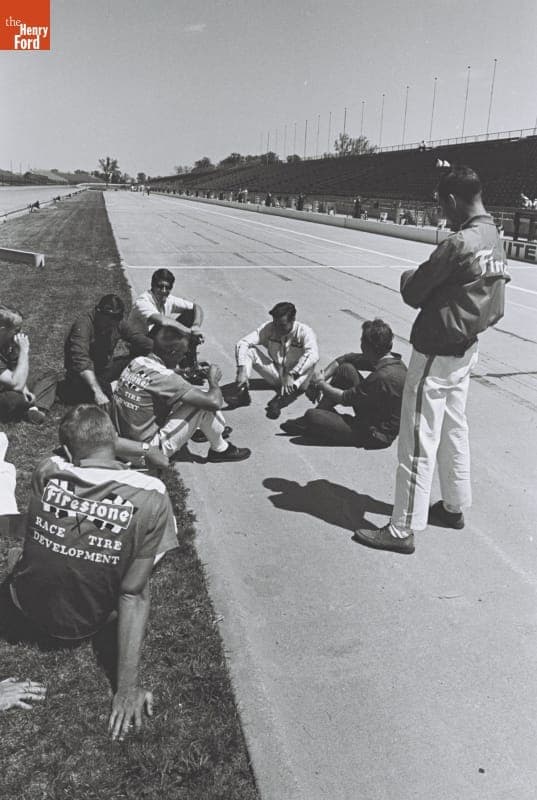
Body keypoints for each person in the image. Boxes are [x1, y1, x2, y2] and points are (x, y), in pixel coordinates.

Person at [354, 166, 510, 554]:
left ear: (453, 200)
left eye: (443, 206)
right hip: (467, 348)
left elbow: (414, 291)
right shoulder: (495, 235)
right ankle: (454, 505)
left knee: (417, 438)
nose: (443, 213)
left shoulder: (459, 243)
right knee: (455, 427)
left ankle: (401, 528)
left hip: (436, 351)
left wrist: (408, 276)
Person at [0, 405, 178, 740]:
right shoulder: (151, 492)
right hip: (86, 623)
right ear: (113, 439)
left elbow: (65, 453)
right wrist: (126, 689)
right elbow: (132, 594)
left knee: (25, 551)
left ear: (67, 452)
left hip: (23, 606)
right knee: (141, 566)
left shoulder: (48, 469)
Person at [113, 323, 250, 462]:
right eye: (183, 354)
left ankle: (205, 430)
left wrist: (185, 372)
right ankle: (220, 448)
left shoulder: (137, 362)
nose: (183, 358)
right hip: (145, 453)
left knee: (191, 395)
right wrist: (213, 381)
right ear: (173, 352)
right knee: (202, 403)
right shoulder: (167, 379)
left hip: (121, 445)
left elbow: (160, 377)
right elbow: (214, 403)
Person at [280, 319, 406, 447]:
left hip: (374, 434)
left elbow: (345, 398)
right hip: (374, 413)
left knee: (312, 416)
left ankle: (317, 421)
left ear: (368, 347)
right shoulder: (390, 360)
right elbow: (345, 359)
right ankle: (320, 417)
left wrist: (320, 383)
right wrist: (321, 378)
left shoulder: (382, 377)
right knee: (346, 369)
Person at [30, 294, 152, 415]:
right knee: (98, 390)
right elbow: (81, 361)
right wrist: (97, 392)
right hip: (82, 377)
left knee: (135, 361)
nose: (111, 325)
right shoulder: (83, 325)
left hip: (105, 371)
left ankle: (116, 386)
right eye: (107, 321)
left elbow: (140, 340)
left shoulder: (117, 322)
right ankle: (113, 388)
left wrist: (158, 351)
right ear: (98, 313)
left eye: (114, 321)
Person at [234, 302, 319, 419]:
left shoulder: (304, 332)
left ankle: (279, 402)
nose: (277, 329)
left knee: (311, 361)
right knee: (249, 351)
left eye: (282, 325)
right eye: (275, 324)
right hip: (278, 373)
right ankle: (243, 392)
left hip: (298, 379)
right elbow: (243, 343)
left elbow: (313, 355)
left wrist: (292, 374)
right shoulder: (269, 328)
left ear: (293, 320)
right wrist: (242, 369)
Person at [128, 269, 206, 382]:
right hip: (138, 345)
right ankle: (179, 370)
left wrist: (196, 326)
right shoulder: (143, 301)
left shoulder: (168, 299)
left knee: (190, 314)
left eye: (167, 287)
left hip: (152, 340)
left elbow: (196, 307)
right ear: (152, 286)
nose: (164, 291)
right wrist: (190, 333)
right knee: (167, 327)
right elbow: (163, 321)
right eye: (160, 286)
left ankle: (189, 364)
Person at [0, 305, 45, 424]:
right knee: (13, 398)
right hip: (7, 390)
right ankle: (30, 407)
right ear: (2, 330)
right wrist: (24, 351)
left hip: (6, 384)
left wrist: (25, 390)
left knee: (48, 375)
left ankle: (31, 407)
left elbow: (15, 370)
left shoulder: (5, 342)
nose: (20, 334)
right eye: (16, 330)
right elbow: (17, 385)